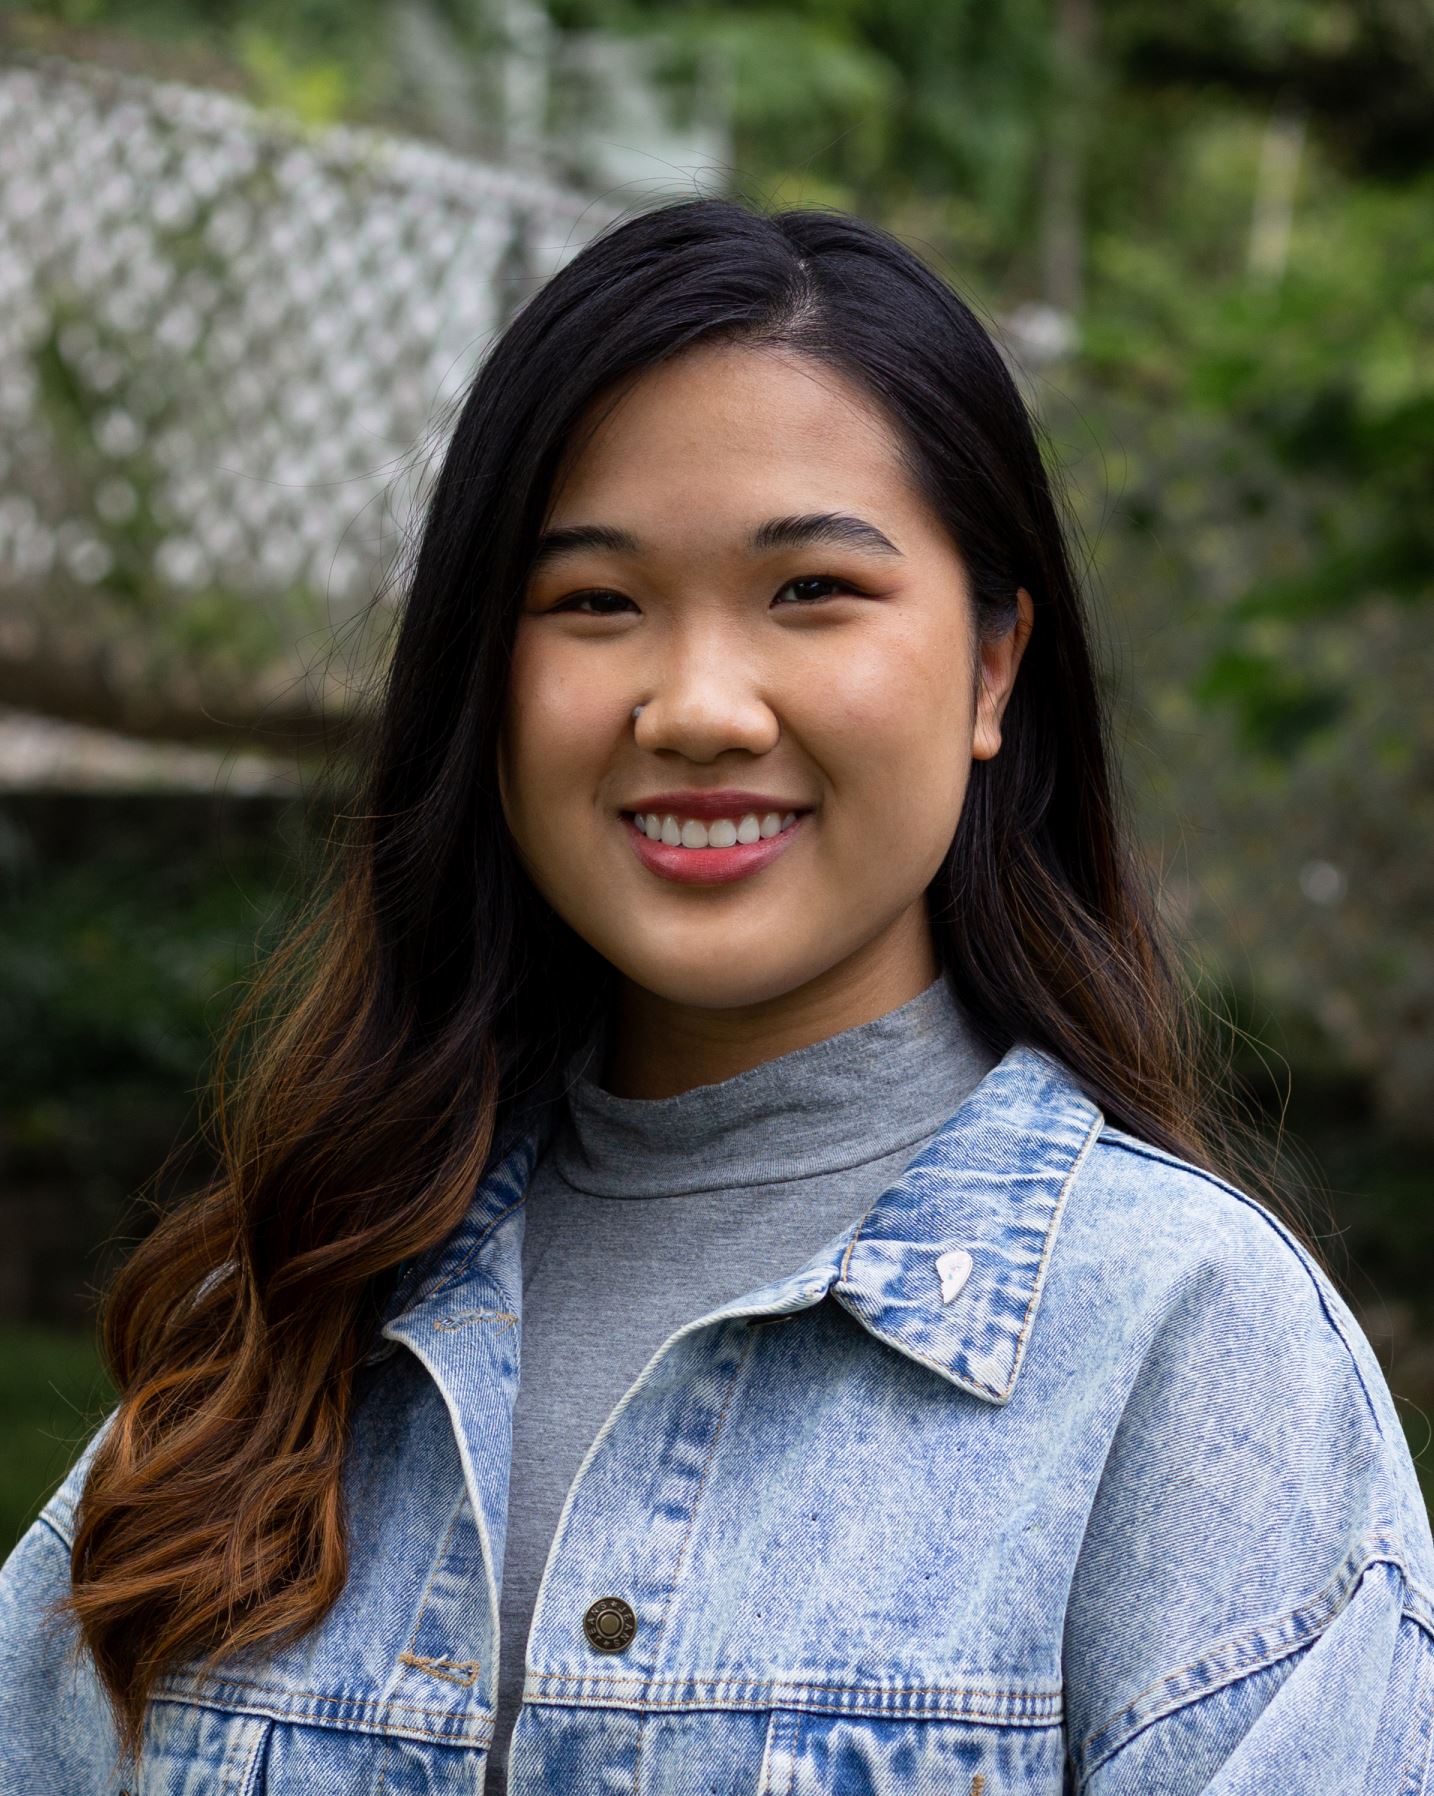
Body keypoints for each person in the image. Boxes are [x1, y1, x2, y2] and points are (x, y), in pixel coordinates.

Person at [1, 197, 1431, 1796]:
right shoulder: (271, 1333)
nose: (693, 708)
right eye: (595, 602)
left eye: (812, 589)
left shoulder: (1189, 1353)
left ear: (990, 668)